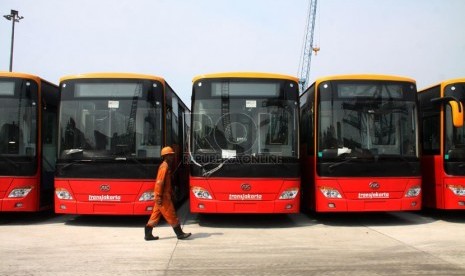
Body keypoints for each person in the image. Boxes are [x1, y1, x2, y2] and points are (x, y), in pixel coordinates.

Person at [144, 146, 191, 241]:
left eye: (172, 155)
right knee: (171, 215)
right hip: (163, 196)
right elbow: (159, 182)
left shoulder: (166, 166)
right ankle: (180, 234)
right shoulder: (164, 166)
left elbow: (166, 183)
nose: (172, 157)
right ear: (165, 156)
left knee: (155, 216)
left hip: (163, 195)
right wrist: (158, 196)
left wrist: (171, 192)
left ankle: (148, 234)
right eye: (170, 155)